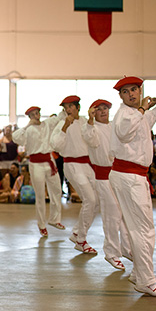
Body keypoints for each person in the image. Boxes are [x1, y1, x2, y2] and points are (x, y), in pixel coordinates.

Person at [109, 76, 156, 296]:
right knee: (144, 229)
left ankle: (139, 274)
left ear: (140, 90)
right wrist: (143, 108)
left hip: (131, 175)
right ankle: (146, 280)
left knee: (137, 228)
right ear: (120, 96)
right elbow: (125, 132)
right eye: (126, 91)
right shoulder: (125, 114)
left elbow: (145, 123)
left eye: (134, 89)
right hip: (129, 176)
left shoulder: (136, 114)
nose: (131, 94)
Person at [81, 99, 132, 270]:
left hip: (118, 174)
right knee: (111, 215)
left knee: (123, 213)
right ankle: (111, 253)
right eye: (99, 109)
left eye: (105, 109)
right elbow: (91, 139)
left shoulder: (113, 127)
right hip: (103, 177)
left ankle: (126, 248)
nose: (103, 112)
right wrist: (89, 121)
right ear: (93, 113)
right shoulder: (91, 128)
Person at [51, 95, 99, 254]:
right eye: (65, 107)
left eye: (71, 106)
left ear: (77, 107)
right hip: (72, 164)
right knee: (89, 199)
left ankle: (77, 232)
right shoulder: (61, 124)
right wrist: (65, 126)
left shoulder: (85, 120)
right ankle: (81, 240)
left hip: (88, 164)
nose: (68, 109)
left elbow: (94, 141)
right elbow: (56, 146)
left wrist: (91, 121)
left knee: (96, 200)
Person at [12, 106, 66, 237]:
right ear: (30, 117)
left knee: (57, 190)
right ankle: (41, 224)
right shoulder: (28, 130)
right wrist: (27, 125)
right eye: (33, 114)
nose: (36, 116)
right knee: (40, 195)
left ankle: (55, 219)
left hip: (49, 160)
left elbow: (59, 117)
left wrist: (65, 108)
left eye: (37, 113)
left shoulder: (47, 124)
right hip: (36, 164)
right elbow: (15, 138)